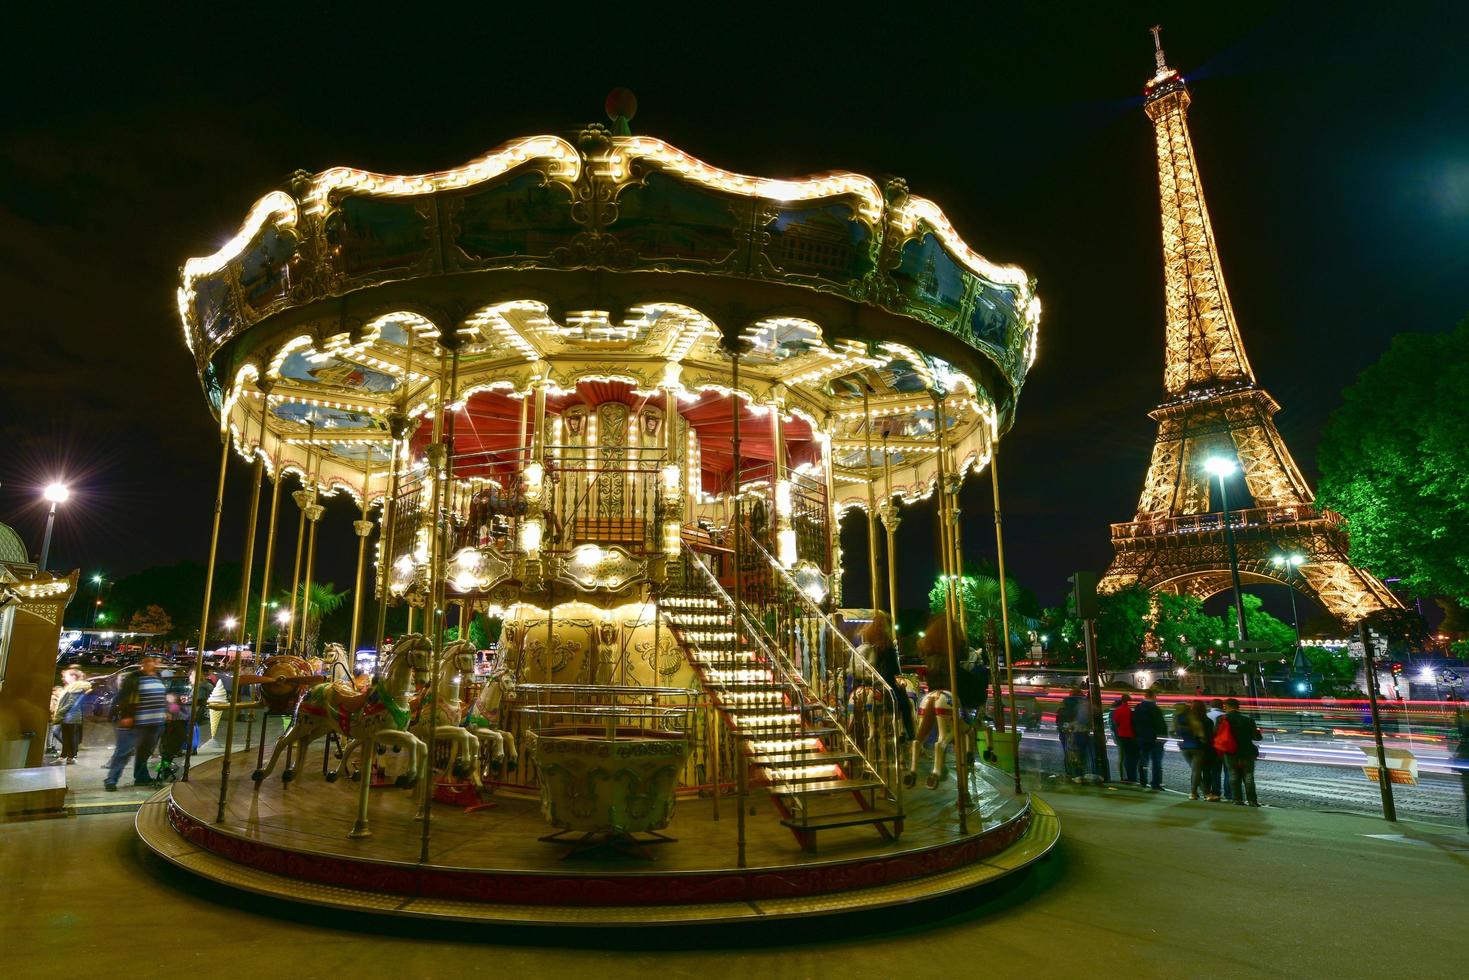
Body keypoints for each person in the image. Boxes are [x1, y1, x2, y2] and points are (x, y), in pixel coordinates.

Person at [104, 654, 168, 791]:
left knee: (144, 752)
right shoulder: (134, 677)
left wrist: (166, 711)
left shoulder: (158, 677)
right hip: (135, 722)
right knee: (123, 751)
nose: (154, 664)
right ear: (142, 664)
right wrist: (127, 715)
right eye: (150, 662)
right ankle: (111, 779)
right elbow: (124, 697)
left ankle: (141, 777)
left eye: (157, 662)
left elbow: (161, 697)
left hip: (155, 722)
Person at [857, 611, 915, 742]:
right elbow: (892, 667)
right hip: (884, 680)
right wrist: (898, 678)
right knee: (905, 702)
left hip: (867, 680)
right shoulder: (887, 644)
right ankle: (911, 733)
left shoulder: (867, 639)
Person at [1217, 697, 1263, 806]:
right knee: (1248, 776)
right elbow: (1257, 737)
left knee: (1233, 775)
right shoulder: (1248, 720)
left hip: (1230, 751)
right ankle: (1252, 801)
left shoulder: (1222, 719)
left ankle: (1237, 799)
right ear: (1238, 707)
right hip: (1247, 751)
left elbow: (1216, 734)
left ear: (1226, 707)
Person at [1173, 701, 1215, 800]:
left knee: (1195, 770)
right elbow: (1204, 737)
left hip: (1184, 747)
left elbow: (1173, 732)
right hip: (1197, 748)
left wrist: (1180, 740)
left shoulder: (1179, 720)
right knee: (1197, 771)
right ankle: (1197, 793)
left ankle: (1200, 793)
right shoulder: (1200, 721)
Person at [51, 667, 92, 764]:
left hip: (71, 716)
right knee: (67, 737)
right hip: (69, 716)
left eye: (66, 676)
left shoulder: (76, 688)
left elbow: (71, 703)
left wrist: (60, 712)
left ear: (73, 676)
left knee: (70, 737)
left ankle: (70, 757)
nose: (64, 678)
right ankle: (65, 757)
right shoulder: (72, 687)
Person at [1131, 689, 1167, 790]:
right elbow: (1160, 725)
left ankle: (1143, 781)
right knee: (1156, 762)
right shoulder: (1155, 708)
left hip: (1141, 739)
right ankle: (1155, 783)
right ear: (1153, 696)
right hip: (1154, 740)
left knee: (1143, 761)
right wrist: (1163, 738)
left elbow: (1133, 723)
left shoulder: (1137, 708)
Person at [1056, 686, 1093, 781]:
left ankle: (1071, 773)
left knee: (1069, 754)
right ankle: (1081, 774)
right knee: (1081, 754)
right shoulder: (1082, 704)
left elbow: (1059, 720)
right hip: (1080, 732)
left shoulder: (1064, 706)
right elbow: (1084, 719)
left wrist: (1064, 728)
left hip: (1067, 733)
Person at [1109, 693, 1138, 784]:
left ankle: (1123, 776)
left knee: (1122, 757)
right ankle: (1131, 777)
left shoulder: (1117, 710)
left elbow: (1115, 724)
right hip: (1130, 736)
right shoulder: (1130, 710)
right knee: (1129, 757)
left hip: (1121, 736)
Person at [1206, 698, 1232, 801]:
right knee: (1228, 771)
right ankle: (1228, 793)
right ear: (1222, 706)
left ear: (1211, 706)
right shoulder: (1225, 717)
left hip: (1212, 748)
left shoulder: (1206, 716)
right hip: (1225, 746)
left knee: (1215, 771)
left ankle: (1216, 791)